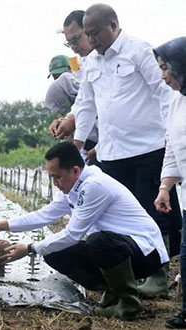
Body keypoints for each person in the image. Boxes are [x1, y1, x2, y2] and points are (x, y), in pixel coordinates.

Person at [51, 3, 182, 297]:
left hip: (148, 148)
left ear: (113, 25)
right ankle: (126, 277)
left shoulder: (139, 51)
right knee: (116, 218)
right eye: (88, 34)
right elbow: (85, 103)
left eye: (95, 33)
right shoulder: (91, 63)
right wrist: (78, 143)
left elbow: (165, 94)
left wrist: (170, 135)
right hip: (111, 152)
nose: (91, 40)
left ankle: (158, 276)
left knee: (153, 213)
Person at [0, 142, 167, 320]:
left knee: (98, 240)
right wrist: (2, 225)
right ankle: (112, 290)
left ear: (75, 170)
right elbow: (44, 215)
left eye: (57, 177)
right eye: (51, 177)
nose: (55, 183)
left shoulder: (95, 186)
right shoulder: (73, 186)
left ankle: (128, 305)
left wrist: (30, 248)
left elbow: (72, 234)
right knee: (54, 253)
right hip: (122, 249)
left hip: (146, 253)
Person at [152, 37, 186, 329]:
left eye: (165, 68)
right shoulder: (176, 103)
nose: (163, 74)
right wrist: (165, 187)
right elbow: (172, 148)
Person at [48, 10, 99, 164]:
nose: (74, 47)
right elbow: (84, 101)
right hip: (91, 143)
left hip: (121, 146)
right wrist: (67, 119)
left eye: (76, 40)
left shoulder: (107, 61)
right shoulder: (86, 62)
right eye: (70, 43)